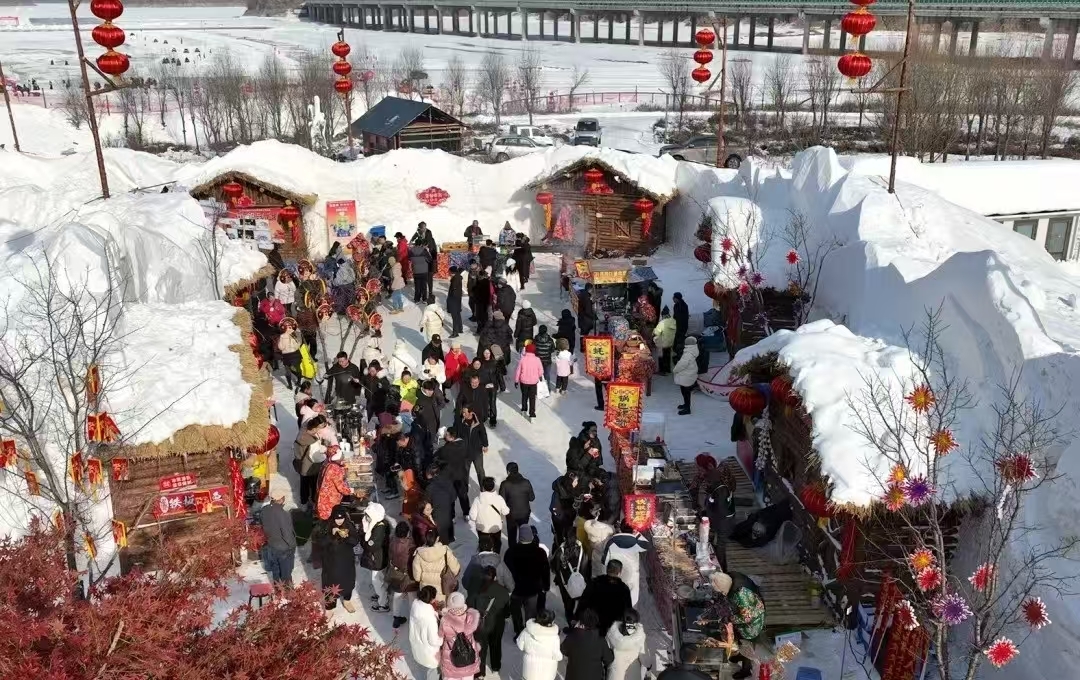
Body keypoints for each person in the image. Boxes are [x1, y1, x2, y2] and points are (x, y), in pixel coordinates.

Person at [710, 571, 765, 680]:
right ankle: (740, 655)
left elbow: (746, 617)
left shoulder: (740, 595)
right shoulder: (730, 578)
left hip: (752, 624)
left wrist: (730, 619)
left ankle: (746, 669)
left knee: (747, 644)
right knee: (740, 640)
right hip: (748, 613)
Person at [504, 525, 551, 635]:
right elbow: (545, 571)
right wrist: (546, 586)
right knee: (531, 613)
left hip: (515, 590)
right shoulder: (540, 552)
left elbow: (505, 572)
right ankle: (530, 632)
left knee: (516, 612)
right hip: (533, 590)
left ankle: (519, 632)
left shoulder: (510, 552)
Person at [466, 566, 512, 679]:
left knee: (481, 647)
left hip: (480, 623)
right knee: (496, 644)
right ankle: (496, 666)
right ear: (495, 577)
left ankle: (480, 672)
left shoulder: (475, 588)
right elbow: (507, 612)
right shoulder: (502, 590)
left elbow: (469, 605)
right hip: (497, 622)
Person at [323, 504, 362, 611]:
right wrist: (331, 535)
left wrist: (347, 537)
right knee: (331, 583)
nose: (339, 521)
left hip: (346, 560)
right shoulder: (327, 526)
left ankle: (347, 600)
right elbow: (321, 542)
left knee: (347, 581)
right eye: (337, 519)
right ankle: (330, 605)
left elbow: (356, 541)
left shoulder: (349, 525)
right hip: (331, 561)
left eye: (342, 518)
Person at [578, 560, 632, 634]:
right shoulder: (624, 589)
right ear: (619, 572)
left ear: (607, 569)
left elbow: (583, 602)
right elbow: (628, 611)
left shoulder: (595, 582)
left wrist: (576, 618)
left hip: (592, 627)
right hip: (612, 631)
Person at [438, 591, 482, 680]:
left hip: (451, 657)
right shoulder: (471, 618)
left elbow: (440, 635)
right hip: (469, 656)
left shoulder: (445, 620)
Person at [562, 608, 614, 680]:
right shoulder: (600, 640)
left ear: (581, 623)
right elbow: (609, 659)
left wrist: (574, 630)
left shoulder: (572, 637)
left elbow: (563, 650)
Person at [412, 528, 461, 604]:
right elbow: (456, 570)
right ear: (437, 538)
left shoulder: (419, 554)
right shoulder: (446, 551)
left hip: (426, 594)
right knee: (441, 612)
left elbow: (417, 577)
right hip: (442, 591)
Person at [603, 528, 649, 607]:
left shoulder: (611, 541)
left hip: (615, 571)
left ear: (620, 528)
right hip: (632, 573)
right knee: (632, 596)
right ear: (632, 530)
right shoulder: (637, 542)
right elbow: (646, 545)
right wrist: (637, 534)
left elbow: (604, 561)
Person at [260, 487, 297, 586]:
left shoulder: (265, 510)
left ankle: (278, 591)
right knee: (286, 574)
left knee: (276, 571)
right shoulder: (283, 513)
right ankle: (288, 595)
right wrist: (292, 546)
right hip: (284, 548)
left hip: (271, 545)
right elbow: (287, 533)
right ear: (281, 499)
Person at [434, 429, 471, 525]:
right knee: (463, 495)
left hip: (449, 476)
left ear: (451, 437)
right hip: (461, 475)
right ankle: (466, 513)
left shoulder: (445, 449)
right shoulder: (463, 444)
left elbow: (437, 458)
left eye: (446, 434)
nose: (445, 436)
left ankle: (452, 516)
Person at [360, 502, 392, 612]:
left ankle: (383, 603)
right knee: (380, 579)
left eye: (368, 516)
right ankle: (382, 595)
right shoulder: (380, 524)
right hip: (380, 557)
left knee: (377, 581)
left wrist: (363, 541)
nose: (366, 518)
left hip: (377, 559)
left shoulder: (379, 529)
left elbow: (371, 546)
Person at [517, 609, 564, 680]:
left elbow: (520, 646)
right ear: (549, 623)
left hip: (529, 672)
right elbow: (558, 656)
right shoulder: (554, 638)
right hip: (547, 674)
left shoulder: (526, 631)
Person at [388, 520, 418, 628]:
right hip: (409, 574)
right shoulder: (410, 545)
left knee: (397, 595)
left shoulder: (392, 541)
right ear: (407, 533)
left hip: (396, 572)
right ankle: (413, 618)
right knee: (412, 596)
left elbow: (390, 556)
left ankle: (396, 618)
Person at [551, 534, 587, 626]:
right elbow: (586, 565)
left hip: (565, 584)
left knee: (568, 603)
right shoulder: (582, 551)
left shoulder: (559, 552)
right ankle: (577, 617)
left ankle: (569, 618)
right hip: (580, 582)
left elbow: (554, 568)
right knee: (580, 600)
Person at [409, 586, 443, 680]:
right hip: (429, 651)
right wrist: (442, 638)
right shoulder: (430, 618)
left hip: (418, 644)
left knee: (428, 667)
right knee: (433, 672)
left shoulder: (415, 605)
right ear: (432, 599)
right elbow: (434, 641)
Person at [469, 476, 510, 552]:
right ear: (494, 487)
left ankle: (484, 557)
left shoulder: (477, 500)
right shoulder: (499, 498)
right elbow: (506, 512)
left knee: (483, 545)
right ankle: (496, 555)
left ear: (483, 488)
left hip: (482, 529)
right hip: (496, 528)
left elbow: (472, 516)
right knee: (497, 543)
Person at [499, 461, 534, 549]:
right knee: (523, 532)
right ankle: (523, 549)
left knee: (511, 535)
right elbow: (532, 498)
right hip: (525, 513)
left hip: (511, 514)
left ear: (508, 472)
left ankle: (513, 552)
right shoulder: (526, 482)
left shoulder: (504, 484)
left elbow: (501, 501)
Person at [606, 609, 648, 680]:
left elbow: (606, 654)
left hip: (615, 674)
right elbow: (645, 660)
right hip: (633, 675)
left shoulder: (611, 634)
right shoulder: (640, 637)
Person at [457, 404, 489, 488]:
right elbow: (457, 434)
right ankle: (464, 489)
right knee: (465, 472)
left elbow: (483, 433)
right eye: (462, 412)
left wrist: (485, 445)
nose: (463, 414)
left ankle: (484, 490)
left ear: (470, 413)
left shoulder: (478, 422)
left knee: (480, 471)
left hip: (477, 452)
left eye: (465, 412)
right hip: (465, 452)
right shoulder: (460, 421)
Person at [316, 447, 352, 521]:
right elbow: (342, 488)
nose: (343, 458)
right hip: (330, 500)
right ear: (336, 457)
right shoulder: (335, 469)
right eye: (341, 456)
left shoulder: (328, 463)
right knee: (331, 518)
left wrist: (343, 469)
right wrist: (351, 491)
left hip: (324, 496)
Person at [550, 471, 586, 544]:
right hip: (559, 520)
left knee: (570, 537)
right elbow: (555, 509)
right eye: (575, 481)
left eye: (577, 481)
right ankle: (558, 548)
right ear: (569, 481)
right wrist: (566, 521)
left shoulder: (572, 488)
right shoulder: (558, 492)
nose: (576, 483)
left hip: (570, 518)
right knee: (560, 538)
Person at [514, 343, 544, 420]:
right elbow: (541, 371)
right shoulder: (537, 359)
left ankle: (524, 410)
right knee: (532, 398)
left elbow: (518, 371)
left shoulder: (522, 359)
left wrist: (516, 381)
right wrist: (539, 376)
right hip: (533, 382)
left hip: (524, 382)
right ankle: (532, 414)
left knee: (524, 396)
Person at [583, 509, 616, 578]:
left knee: (595, 570)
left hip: (595, 552)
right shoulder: (610, 529)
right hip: (606, 553)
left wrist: (595, 519)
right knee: (604, 570)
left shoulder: (590, 528)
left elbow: (587, 522)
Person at [673, 336, 700, 415]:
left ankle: (687, 409)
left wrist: (675, 370)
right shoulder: (693, 349)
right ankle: (686, 405)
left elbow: (682, 364)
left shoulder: (688, 353)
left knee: (686, 392)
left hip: (687, 374)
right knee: (685, 391)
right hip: (689, 372)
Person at [277, 318, 304, 390]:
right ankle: (299, 382)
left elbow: (280, 347)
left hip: (286, 356)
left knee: (287, 370)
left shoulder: (282, 336)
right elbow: (298, 345)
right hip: (295, 354)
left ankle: (290, 385)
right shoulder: (296, 334)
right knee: (298, 368)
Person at [653, 306, 677, 375]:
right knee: (667, 355)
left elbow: (656, 332)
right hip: (671, 342)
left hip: (663, 343)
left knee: (661, 356)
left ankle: (662, 371)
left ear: (663, 315)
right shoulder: (673, 321)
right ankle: (668, 369)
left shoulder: (662, 323)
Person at [447, 266, 464, 338]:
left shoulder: (454, 280)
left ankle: (455, 332)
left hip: (454, 301)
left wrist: (449, 301)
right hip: (457, 300)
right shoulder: (458, 278)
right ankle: (460, 329)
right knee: (458, 315)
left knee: (455, 317)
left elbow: (453, 292)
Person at [672, 292, 689, 363]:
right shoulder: (676, 305)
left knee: (679, 342)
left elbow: (684, 317)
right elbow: (675, 316)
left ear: (677, 298)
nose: (673, 299)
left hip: (682, 327)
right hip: (678, 326)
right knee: (677, 342)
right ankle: (679, 355)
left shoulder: (683, 306)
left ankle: (681, 357)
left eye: (674, 298)